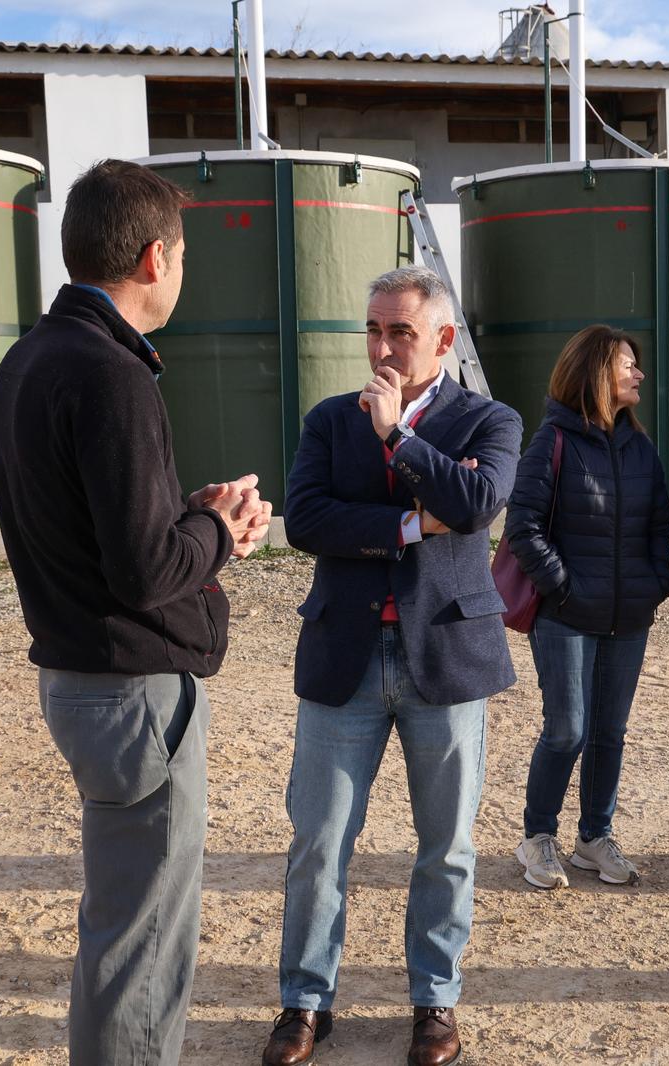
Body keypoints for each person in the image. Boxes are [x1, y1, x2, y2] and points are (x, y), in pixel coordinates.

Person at [0, 159, 273, 1065]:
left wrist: (191, 515)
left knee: (119, 931)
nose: (182, 272)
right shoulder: (112, 376)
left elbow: (102, 531)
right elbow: (149, 569)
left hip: (81, 682)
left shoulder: (29, 359)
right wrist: (221, 533)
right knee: (142, 952)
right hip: (134, 696)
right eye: (183, 256)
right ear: (155, 258)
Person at [261, 266, 522, 1066]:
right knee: (319, 841)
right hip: (345, 655)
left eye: (399, 332)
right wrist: (411, 523)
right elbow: (305, 518)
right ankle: (306, 1003)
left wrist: (398, 439)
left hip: (444, 656)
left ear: (442, 339)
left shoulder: (491, 421)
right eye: (373, 329)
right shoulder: (328, 420)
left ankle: (434, 1002)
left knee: (446, 845)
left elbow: (479, 507)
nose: (381, 346)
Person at [505, 325, 669, 890]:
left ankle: (594, 838)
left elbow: (658, 525)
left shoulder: (641, 446)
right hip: (566, 616)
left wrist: (657, 582)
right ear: (597, 372)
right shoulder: (552, 442)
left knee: (611, 731)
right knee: (566, 730)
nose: (639, 375)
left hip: (630, 616)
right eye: (628, 365)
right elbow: (523, 529)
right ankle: (537, 838)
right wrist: (566, 590)